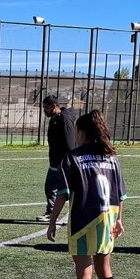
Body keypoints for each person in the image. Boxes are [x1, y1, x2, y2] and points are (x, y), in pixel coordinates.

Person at [45, 110, 127, 279]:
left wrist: (52, 223)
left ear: (81, 133)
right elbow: (121, 195)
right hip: (108, 218)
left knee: (84, 270)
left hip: (83, 219)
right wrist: (119, 220)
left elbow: (62, 194)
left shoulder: (72, 158)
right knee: (105, 267)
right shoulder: (112, 157)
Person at [37, 95, 78, 224]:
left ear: (54, 106)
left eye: (46, 108)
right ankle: (51, 213)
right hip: (55, 162)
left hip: (64, 163)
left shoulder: (64, 119)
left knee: (67, 190)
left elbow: (70, 143)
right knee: (51, 187)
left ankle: (71, 216)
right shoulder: (55, 118)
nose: (44, 110)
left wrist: (69, 162)